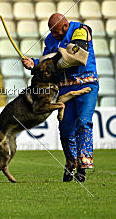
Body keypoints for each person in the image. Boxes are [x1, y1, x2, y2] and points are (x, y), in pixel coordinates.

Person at [22, 13, 99, 182]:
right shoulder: (50, 39)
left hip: (86, 84)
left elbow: (76, 58)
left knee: (83, 122)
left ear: (65, 25)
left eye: (56, 31)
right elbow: (46, 64)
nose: (53, 35)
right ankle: (71, 163)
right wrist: (34, 64)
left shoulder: (81, 30)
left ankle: (82, 165)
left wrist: (47, 61)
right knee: (65, 130)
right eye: (52, 32)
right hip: (64, 88)